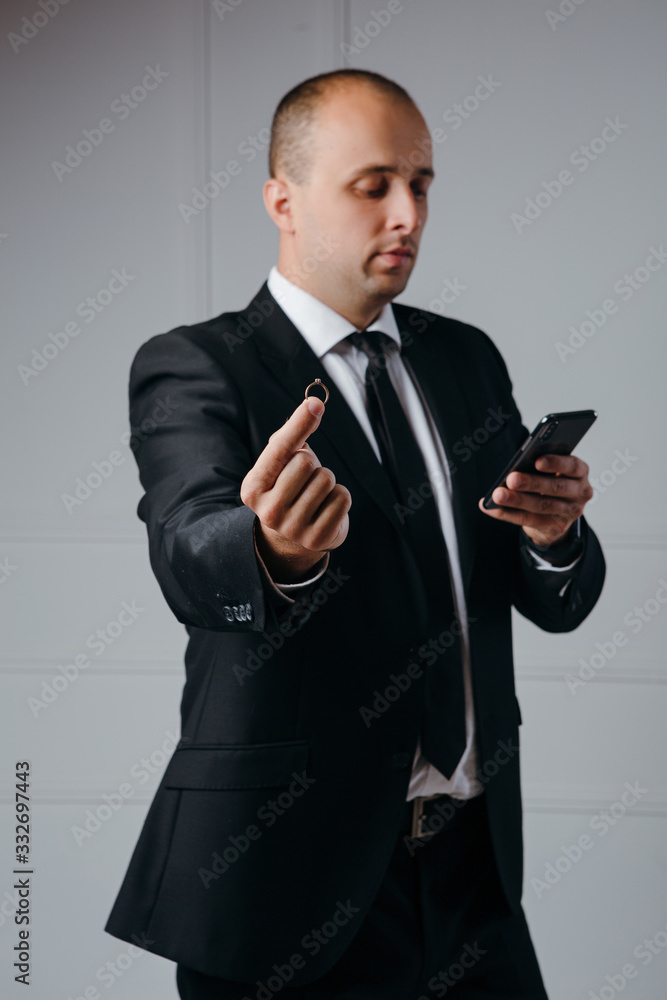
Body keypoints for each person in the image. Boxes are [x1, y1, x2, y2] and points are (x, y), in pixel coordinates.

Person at [104, 69, 605, 998]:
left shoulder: (464, 356)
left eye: (420, 184)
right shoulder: (196, 365)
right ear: (282, 201)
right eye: (372, 186)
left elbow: (546, 595)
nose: (407, 214)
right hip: (284, 881)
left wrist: (553, 536)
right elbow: (187, 547)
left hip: (472, 878)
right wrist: (269, 552)